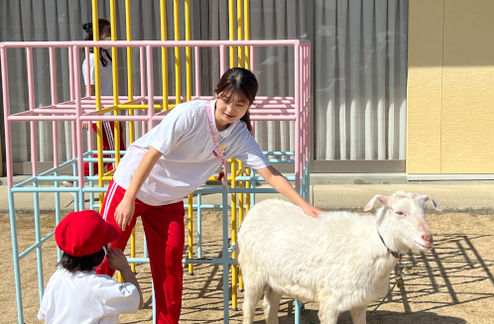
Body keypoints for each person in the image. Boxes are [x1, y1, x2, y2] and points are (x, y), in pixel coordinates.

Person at [95, 67, 323, 324]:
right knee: (104, 254)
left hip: (168, 199)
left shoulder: (239, 135)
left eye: (240, 103)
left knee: (170, 266)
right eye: (226, 99)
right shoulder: (190, 114)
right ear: (216, 93)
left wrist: (305, 206)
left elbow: (269, 173)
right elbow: (151, 154)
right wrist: (128, 198)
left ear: (249, 105)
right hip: (133, 185)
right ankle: (90, 316)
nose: (231, 108)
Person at [38, 210, 143, 323]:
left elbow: (44, 315)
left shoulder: (57, 277)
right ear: (101, 253)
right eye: (108, 242)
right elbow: (138, 302)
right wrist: (124, 268)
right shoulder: (101, 286)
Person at [81, 18, 125, 178]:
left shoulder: (104, 55)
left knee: (115, 149)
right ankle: (79, 177)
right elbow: (90, 89)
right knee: (111, 151)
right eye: (108, 33)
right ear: (98, 36)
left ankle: (115, 179)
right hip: (103, 113)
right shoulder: (91, 60)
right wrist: (88, 112)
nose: (111, 36)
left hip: (111, 109)